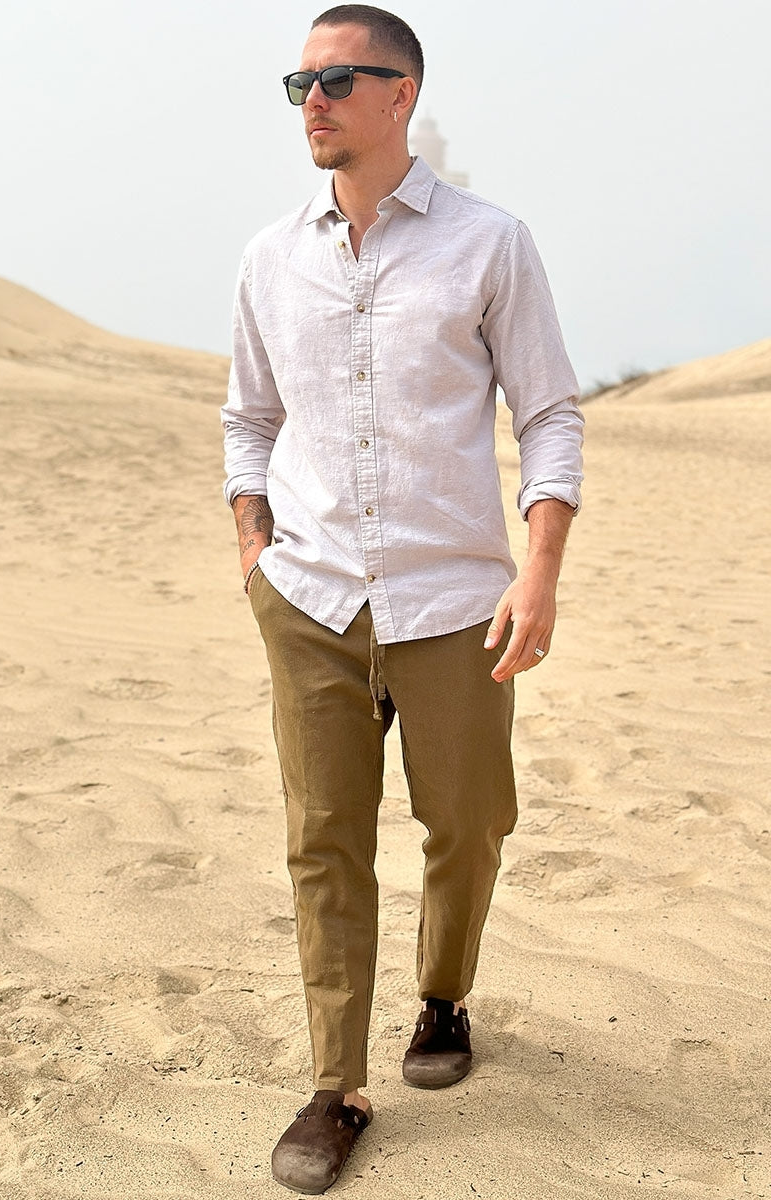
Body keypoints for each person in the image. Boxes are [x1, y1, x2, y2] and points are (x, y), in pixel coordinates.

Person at [221, 4, 584, 1192]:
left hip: (453, 602)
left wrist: (538, 570)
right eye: (300, 85)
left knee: (469, 825)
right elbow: (247, 420)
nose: (313, 103)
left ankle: (442, 997)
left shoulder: (488, 243)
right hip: (310, 601)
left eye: (337, 81)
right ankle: (335, 1085)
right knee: (323, 841)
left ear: (400, 96)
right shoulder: (269, 257)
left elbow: (547, 413)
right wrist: (252, 547)